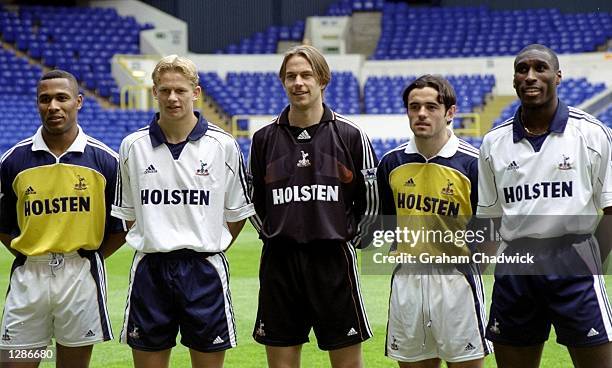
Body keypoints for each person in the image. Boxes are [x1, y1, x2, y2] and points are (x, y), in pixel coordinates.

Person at [111, 55, 254, 368]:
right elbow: (129, 213)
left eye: (180, 90)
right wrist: (157, 235)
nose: (172, 97)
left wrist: (206, 242)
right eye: (164, 90)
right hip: (150, 270)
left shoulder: (224, 145)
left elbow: (237, 212)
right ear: (155, 93)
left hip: (204, 271)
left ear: (196, 92)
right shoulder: (132, 146)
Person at [477, 44, 612, 367]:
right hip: (516, 266)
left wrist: (593, 262)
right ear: (514, 80)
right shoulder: (493, 143)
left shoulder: (591, 133)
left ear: (558, 76)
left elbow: (611, 208)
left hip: (573, 260)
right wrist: (477, 273)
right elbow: (489, 219)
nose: (531, 76)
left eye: (541, 68)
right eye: (522, 69)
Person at [248, 44, 379, 368]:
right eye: (291, 76)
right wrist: (274, 231)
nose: (299, 82)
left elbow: (371, 200)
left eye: (307, 75)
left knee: (347, 363)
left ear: (323, 80)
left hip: (332, 260)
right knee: (281, 363)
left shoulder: (350, 135)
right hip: (279, 262)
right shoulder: (264, 139)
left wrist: (351, 237)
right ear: (282, 82)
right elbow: (253, 200)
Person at [0, 70, 126, 368]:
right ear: (38, 105)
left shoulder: (105, 161)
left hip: (80, 277)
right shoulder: (13, 161)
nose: (53, 106)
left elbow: (120, 228)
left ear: (78, 102)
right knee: (18, 361)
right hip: (30, 277)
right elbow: (4, 226)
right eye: (45, 99)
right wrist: (32, 253)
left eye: (62, 98)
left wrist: (87, 258)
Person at [376, 74, 492, 368]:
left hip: (457, 284)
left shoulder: (472, 163)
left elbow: (489, 227)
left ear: (450, 112)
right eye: (414, 107)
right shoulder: (391, 163)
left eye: (431, 106)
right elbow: (387, 222)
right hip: (407, 282)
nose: (421, 114)